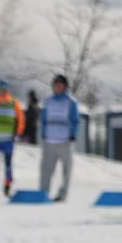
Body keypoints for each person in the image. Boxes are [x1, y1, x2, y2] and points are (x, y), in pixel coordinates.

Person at [40, 74, 80, 202]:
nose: (57, 87)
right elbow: (43, 119)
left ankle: (62, 195)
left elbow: (75, 120)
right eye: (55, 84)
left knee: (66, 171)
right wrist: (43, 133)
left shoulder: (71, 102)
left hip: (65, 142)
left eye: (60, 84)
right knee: (46, 170)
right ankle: (43, 194)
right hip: (49, 141)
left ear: (64, 86)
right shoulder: (48, 101)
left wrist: (73, 134)